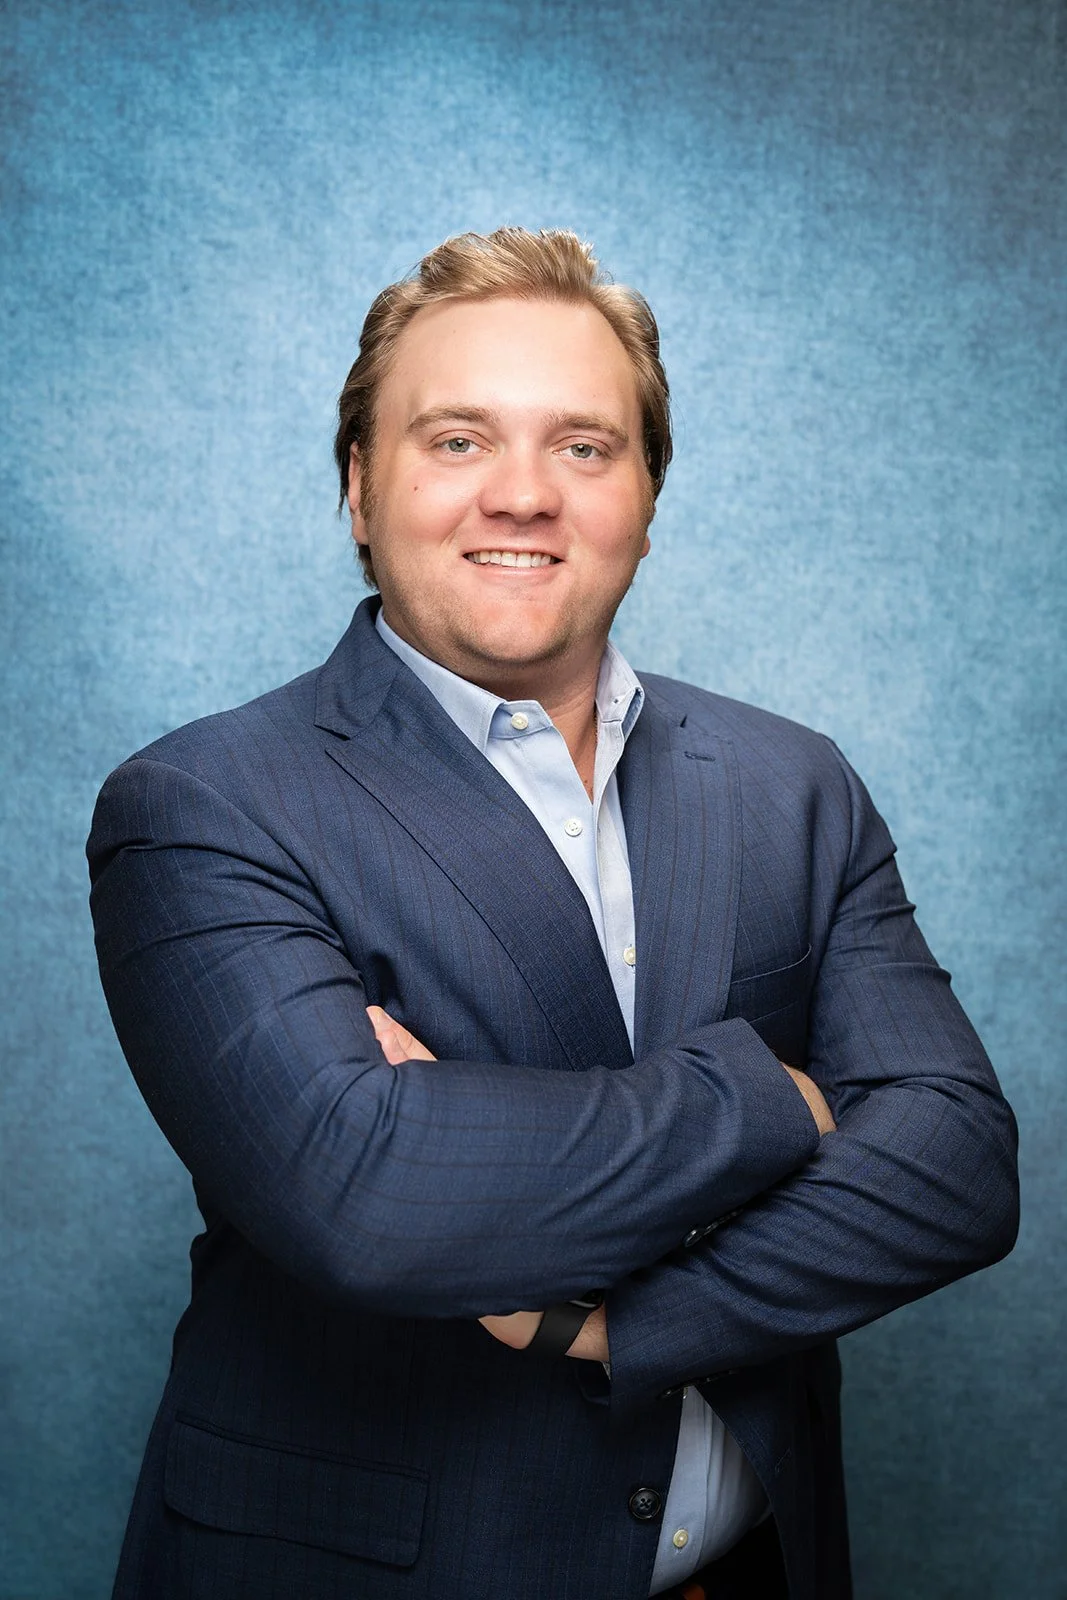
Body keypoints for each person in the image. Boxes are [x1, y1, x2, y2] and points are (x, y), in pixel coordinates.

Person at [87, 227, 1018, 1600]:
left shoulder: (791, 782)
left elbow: (956, 1171)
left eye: (583, 446)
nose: (522, 495)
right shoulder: (202, 802)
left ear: (645, 493)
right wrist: (781, 1104)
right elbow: (373, 1199)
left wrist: (600, 1322)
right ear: (358, 487)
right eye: (455, 441)